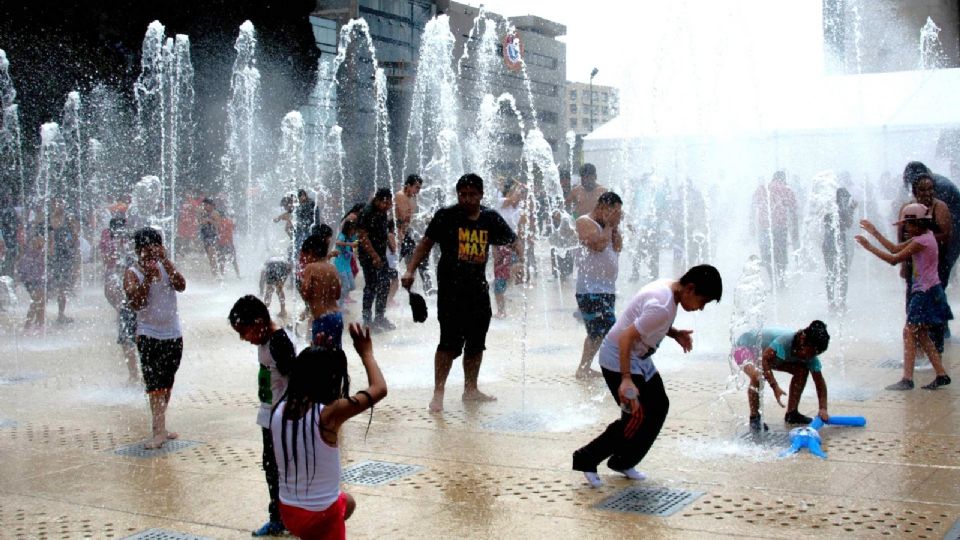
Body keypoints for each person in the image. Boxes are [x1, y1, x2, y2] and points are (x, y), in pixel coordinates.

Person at [572, 265, 722, 487]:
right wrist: (625, 379)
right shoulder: (661, 305)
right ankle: (587, 458)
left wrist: (674, 333)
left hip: (639, 358)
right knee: (636, 416)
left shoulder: (669, 289)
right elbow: (625, 338)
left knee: (659, 406)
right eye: (703, 301)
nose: (701, 308)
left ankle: (623, 461)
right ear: (690, 288)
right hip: (618, 359)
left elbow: (648, 321)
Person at [402, 173, 523, 412]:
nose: (467, 199)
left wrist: (521, 261)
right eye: (463, 195)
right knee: (447, 343)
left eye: (472, 195)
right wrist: (410, 270)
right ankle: (439, 392)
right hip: (450, 291)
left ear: (481, 195)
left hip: (478, 291)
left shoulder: (490, 218)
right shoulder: (446, 216)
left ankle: (471, 389)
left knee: (476, 343)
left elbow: (514, 240)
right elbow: (425, 243)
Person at [271, 323, 386, 540]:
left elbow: (304, 373)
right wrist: (367, 353)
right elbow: (379, 389)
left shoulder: (280, 407)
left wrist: (316, 353)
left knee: (348, 502)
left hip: (288, 512)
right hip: (320, 515)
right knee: (335, 509)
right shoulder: (329, 415)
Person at [856, 205, 953, 390]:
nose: (905, 229)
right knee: (921, 333)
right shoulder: (925, 236)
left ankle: (907, 379)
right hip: (930, 290)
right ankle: (941, 374)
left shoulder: (921, 241)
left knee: (909, 332)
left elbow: (893, 259)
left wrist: (869, 247)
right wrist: (874, 232)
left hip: (924, 293)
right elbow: (893, 248)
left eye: (907, 225)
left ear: (917, 223)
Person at [229, 295, 296, 538]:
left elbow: (295, 379)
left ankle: (286, 517)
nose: (243, 338)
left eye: (244, 331)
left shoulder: (279, 342)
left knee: (281, 467)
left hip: (281, 417)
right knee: (271, 466)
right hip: (269, 414)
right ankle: (278, 517)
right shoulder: (265, 340)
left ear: (258, 323)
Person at [123, 227, 187, 449]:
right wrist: (148, 279)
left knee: (167, 382)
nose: (152, 253)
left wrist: (166, 262)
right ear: (139, 250)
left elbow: (182, 285)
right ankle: (157, 431)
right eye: (147, 249)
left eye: (156, 247)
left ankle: (162, 426)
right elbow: (136, 303)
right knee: (154, 384)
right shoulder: (132, 273)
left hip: (173, 334)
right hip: (149, 334)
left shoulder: (166, 266)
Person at [732, 322, 832, 432]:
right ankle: (755, 418)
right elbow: (765, 359)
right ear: (803, 339)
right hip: (744, 347)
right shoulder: (785, 340)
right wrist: (774, 386)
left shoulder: (811, 356)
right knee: (757, 376)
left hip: (767, 355)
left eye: (816, 354)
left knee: (802, 370)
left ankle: (792, 414)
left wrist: (823, 408)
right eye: (811, 351)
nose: (811, 356)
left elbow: (820, 382)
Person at [900, 172, 954, 352]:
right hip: (914, 266)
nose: (927, 193)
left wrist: (922, 239)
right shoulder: (908, 208)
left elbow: (946, 235)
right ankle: (916, 343)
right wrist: (903, 263)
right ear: (915, 191)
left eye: (931, 189)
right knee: (913, 302)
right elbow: (901, 237)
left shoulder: (940, 207)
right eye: (922, 190)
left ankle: (936, 344)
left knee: (934, 304)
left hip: (936, 265)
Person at [574, 191, 623, 379]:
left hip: (607, 288)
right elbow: (598, 245)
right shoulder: (584, 222)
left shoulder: (609, 227)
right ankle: (618, 369)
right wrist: (610, 225)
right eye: (615, 211)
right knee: (609, 329)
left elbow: (617, 247)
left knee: (596, 332)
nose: (618, 216)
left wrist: (614, 227)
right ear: (603, 208)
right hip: (590, 289)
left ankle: (584, 368)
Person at [101, 217, 139, 384]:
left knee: (134, 338)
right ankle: (133, 375)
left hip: (135, 297)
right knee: (126, 338)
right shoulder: (112, 243)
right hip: (126, 296)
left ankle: (136, 375)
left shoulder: (131, 243)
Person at [752, 171, 799, 289]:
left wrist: (751, 225)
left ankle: (772, 282)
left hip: (765, 227)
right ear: (783, 179)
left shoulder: (762, 189)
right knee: (781, 253)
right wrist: (795, 231)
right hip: (780, 227)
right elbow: (793, 210)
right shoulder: (787, 190)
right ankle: (781, 279)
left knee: (767, 255)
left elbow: (753, 205)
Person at [357, 188, 394, 330]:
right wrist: (374, 256)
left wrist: (389, 244)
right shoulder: (367, 212)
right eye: (384, 203)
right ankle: (367, 320)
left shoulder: (382, 212)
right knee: (371, 285)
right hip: (368, 255)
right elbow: (362, 236)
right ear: (377, 200)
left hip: (380, 253)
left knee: (384, 284)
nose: (387, 206)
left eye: (389, 203)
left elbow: (382, 231)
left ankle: (380, 317)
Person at [299, 232, 342, 348]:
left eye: (306, 254)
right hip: (337, 317)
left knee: (320, 357)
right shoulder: (332, 268)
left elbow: (305, 294)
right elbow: (338, 294)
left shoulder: (310, 268)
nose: (305, 258)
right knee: (336, 353)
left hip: (322, 319)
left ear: (312, 252)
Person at [822, 187, 857, 314]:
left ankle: (832, 303)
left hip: (827, 244)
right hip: (837, 244)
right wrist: (852, 209)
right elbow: (848, 223)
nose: (847, 201)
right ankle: (841, 302)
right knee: (842, 273)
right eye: (846, 198)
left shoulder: (830, 208)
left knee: (831, 273)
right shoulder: (840, 209)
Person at [493, 179, 524, 318]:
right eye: (517, 194)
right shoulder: (501, 203)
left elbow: (520, 232)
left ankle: (505, 299)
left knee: (516, 272)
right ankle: (501, 311)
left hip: (513, 246)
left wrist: (522, 251)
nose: (519, 197)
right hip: (500, 247)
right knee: (500, 280)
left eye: (521, 195)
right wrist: (518, 186)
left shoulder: (518, 210)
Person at [396, 175, 432, 293]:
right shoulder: (400, 196)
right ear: (408, 185)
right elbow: (405, 218)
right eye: (416, 187)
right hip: (399, 236)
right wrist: (421, 218)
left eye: (419, 188)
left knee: (421, 257)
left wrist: (426, 218)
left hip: (408, 234)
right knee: (394, 263)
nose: (418, 191)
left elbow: (412, 218)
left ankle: (427, 287)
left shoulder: (412, 197)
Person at [48, 199, 80, 324]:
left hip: (66, 256)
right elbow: (53, 229)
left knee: (63, 286)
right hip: (55, 257)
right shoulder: (52, 219)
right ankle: (46, 315)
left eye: (61, 203)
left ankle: (61, 314)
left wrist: (75, 248)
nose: (59, 205)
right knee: (56, 286)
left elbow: (75, 235)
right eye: (56, 203)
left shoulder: (68, 219)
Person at [17, 231, 45, 330]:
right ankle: (27, 326)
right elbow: (22, 267)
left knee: (41, 301)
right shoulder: (29, 253)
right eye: (38, 241)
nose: (41, 243)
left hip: (38, 279)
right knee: (36, 300)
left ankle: (40, 324)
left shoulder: (41, 252)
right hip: (30, 280)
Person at [333, 219, 358, 307]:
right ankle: (339, 305)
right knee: (346, 286)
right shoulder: (342, 235)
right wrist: (349, 244)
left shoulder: (352, 237)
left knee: (352, 286)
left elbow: (358, 241)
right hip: (339, 264)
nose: (354, 231)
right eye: (352, 229)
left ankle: (337, 297)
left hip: (347, 266)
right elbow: (337, 242)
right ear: (348, 229)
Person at [198, 198, 222, 277]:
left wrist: (210, 221)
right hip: (205, 236)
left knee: (212, 256)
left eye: (206, 205)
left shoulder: (215, 213)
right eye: (204, 205)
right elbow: (199, 222)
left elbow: (218, 226)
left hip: (212, 236)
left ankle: (216, 274)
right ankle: (215, 273)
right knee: (210, 257)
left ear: (211, 206)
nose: (204, 206)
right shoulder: (203, 213)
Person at [217, 212, 240, 278]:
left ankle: (222, 275)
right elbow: (234, 227)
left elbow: (217, 231)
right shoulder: (229, 222)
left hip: (222, 244)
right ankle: (238, 274)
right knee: (234, 261)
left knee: (222, 260)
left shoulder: (219, 223)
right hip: (230, 244)